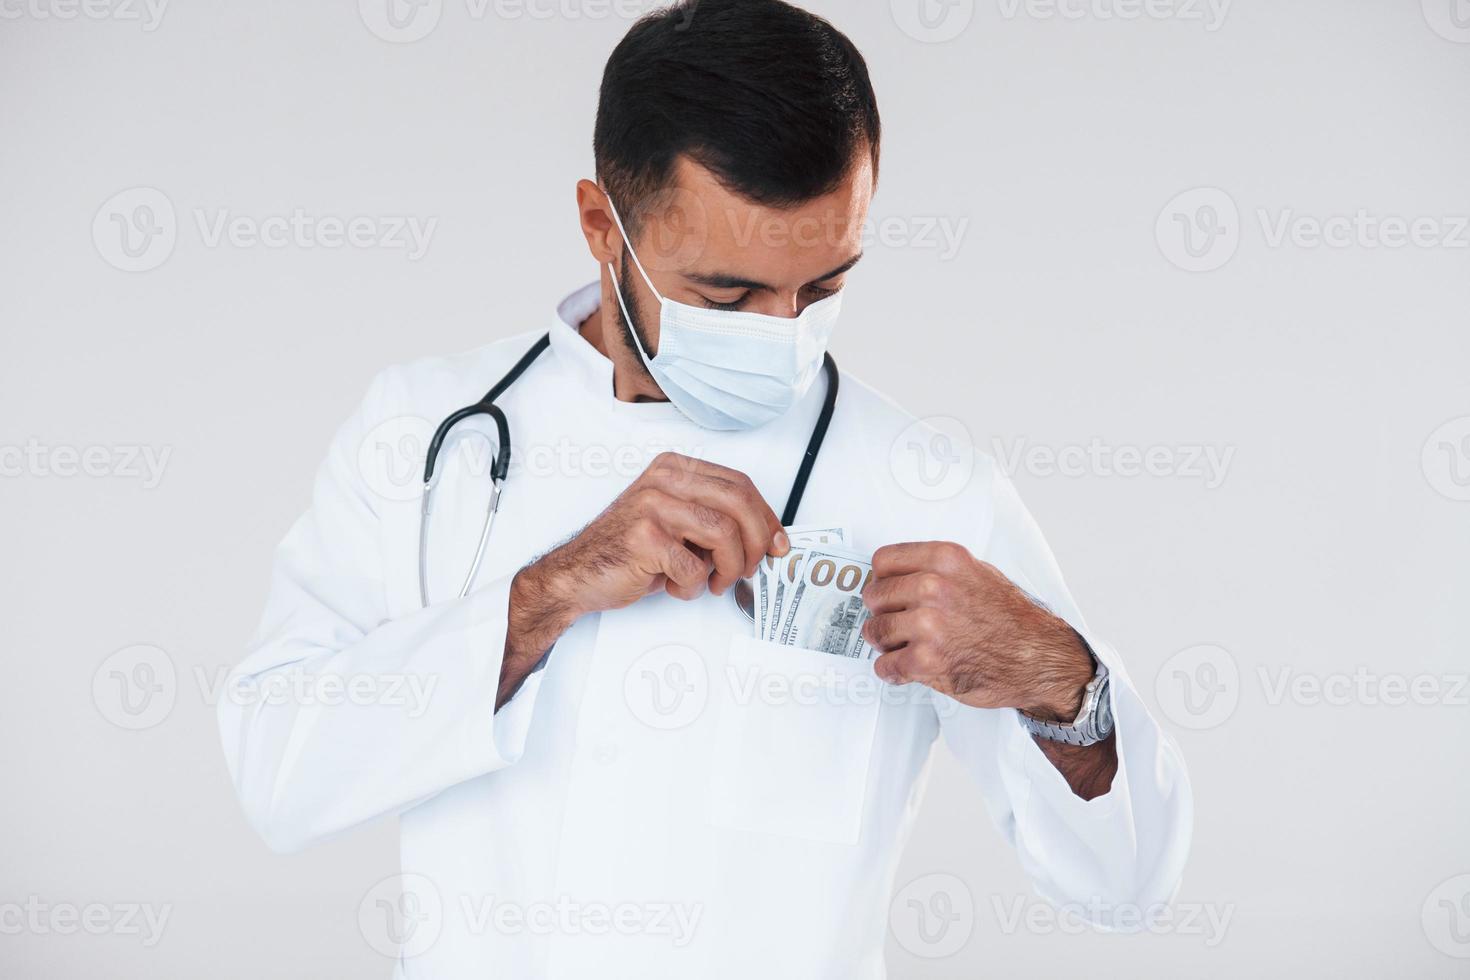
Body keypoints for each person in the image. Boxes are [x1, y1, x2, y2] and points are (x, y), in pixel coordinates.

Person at [218, 1, 1192, 976]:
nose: (780, 330)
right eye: (728, 297)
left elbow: (1129, 884)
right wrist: (542, 596)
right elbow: (275, 772)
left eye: (822, 289)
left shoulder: (925, 483)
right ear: (604, 225)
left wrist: (1064, 682)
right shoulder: (424, 433)